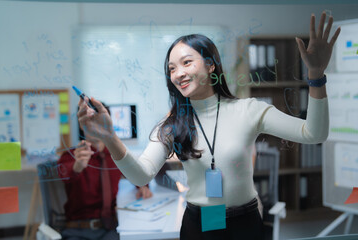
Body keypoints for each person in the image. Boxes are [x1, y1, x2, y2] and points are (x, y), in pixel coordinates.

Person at [77, 12, 340, 240]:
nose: (178, 73)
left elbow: (314, 133)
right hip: (199, 224)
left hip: (245, 222)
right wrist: (110, 137)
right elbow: (141, 175)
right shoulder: (172, 125)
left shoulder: (248, 110)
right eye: (171, 68)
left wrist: (316, 77)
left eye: (186, 62)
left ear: (210, 64)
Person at [58, 102, 152, 240]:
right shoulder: (72, 155)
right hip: (78, 229)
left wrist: (143, 185)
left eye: (99, 120)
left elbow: (134, 170)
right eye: (89, 120)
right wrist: (77, 166)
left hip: (110, 228)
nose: (94, 126)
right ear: (81, 124)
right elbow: (64, 173)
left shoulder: (116, 154)